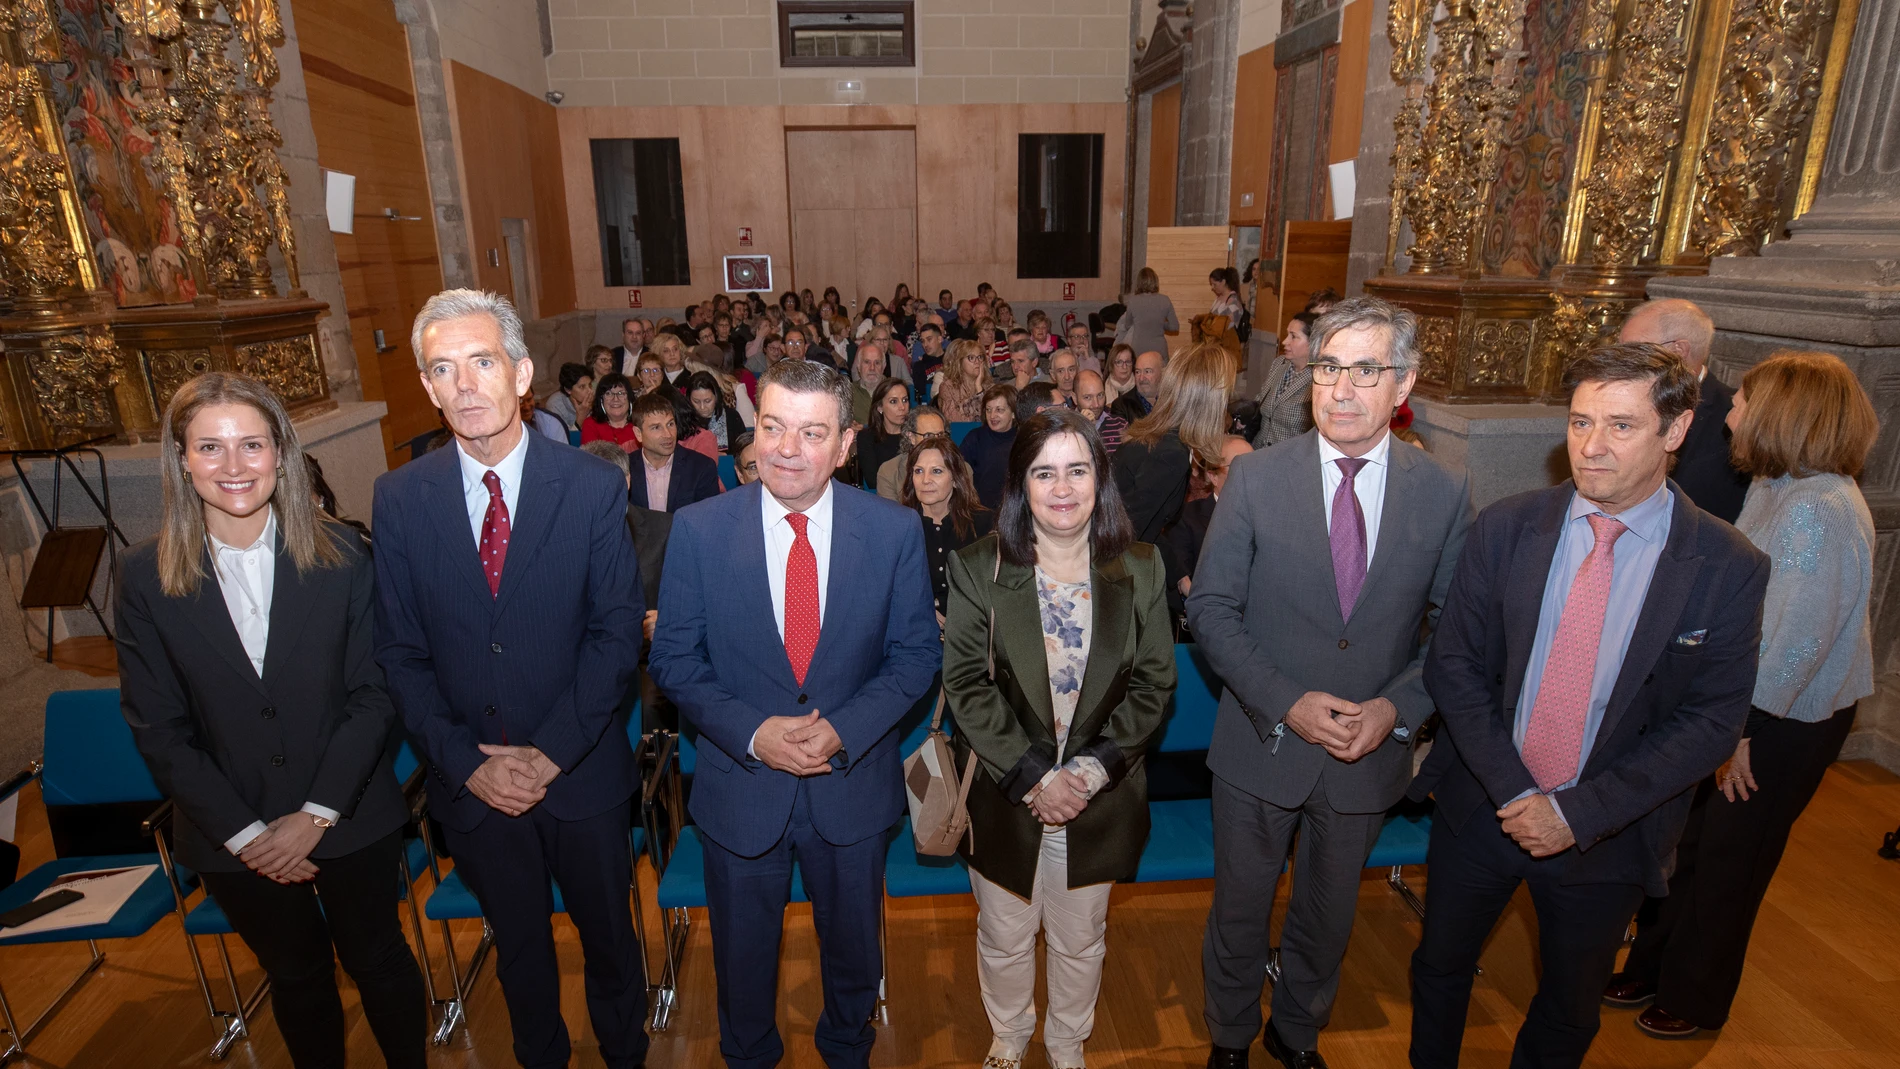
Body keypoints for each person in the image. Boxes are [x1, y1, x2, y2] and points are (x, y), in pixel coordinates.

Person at [1406, 341, 1771, 1069]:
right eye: (1578, 422)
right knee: (1439, 966)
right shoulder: (1508, 526)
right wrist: (1517, 793)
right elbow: (1455, 666)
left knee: (1569, 1008)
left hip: (1610, 832)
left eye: (1620, 425)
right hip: (1484, 803)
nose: (1591, 447)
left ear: (1675, 431)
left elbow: (1709, 725)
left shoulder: (1729, 566)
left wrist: (1574, 814)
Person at [1187, 298, 1473, 1069]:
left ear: (1403, 381)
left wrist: (1397, 708)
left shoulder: (1441, 493)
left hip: (1366, 749)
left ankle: (1297, 1030)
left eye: (1364, 370)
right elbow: (1210, 609)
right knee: (1241, 909)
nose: (1341, 389)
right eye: (1327, 368)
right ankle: (1231, 1036)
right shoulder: (1256, 480)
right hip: (1260, 740)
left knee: (1328, 911)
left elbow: (1455, 630)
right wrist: (1285, 700)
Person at [373, 289, 649, 1069]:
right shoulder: (399, 499)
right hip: (474, 784)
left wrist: (548, 753)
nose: (465, 385)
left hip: (581, 772)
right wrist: (469, 764)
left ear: (522, 372)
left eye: (483, 361)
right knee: (521, 957)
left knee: (611, 946)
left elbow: (613, 635)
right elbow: (400, 653)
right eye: (443, 369)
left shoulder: (593, 486)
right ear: (427, 387)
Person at [117, 372, 425, 1069]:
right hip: (230, 827)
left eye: (251, 444)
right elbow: (158, 725)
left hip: (347, 810)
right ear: (182, 458)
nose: (233, 466)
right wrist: (251, 834)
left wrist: (315, 814)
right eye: (211, 447)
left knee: (378, 960)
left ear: (280, 453)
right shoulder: (143, 575)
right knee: (296, 974)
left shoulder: (347, 556)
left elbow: (374, 693)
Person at [649, 358, 938, 1069]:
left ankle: (847, 1050)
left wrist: (843, 728)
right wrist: (755, 733)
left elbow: (915, 659)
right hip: (741, 790)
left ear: (844, 445)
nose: (785, 447)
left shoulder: (893, 531)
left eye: (811, 433)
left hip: (851, 785)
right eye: (772, 426)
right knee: (742, 970)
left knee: (851, 961)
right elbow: (675, 661)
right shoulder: (698, 530)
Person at [1607, 350, 1878, 1039]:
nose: (1727, 411)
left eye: (1741, 401)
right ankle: (1654, 961)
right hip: (1742, 706)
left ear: (1786, 412)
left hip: (1780, 719)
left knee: (1733, 859)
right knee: (1692, 845)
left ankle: (1696, 995)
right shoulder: (1776, 483)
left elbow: (1794, 641)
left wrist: (1740, 732)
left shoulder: (1819, 507)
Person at [942, 408, 1176, 1069]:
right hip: (1005, 787)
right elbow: (965, 682)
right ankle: (1011, 1035)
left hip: (1100, 792)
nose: (1063, 487)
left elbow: (1155, 685)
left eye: (1078, 469)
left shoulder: (1142, 567)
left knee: (1081, 938)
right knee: (1005, 933)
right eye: (1045, 472)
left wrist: (1091, 772)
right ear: (1020, 485)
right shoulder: (977, 568)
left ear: (1100, 479)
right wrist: (1038, 776)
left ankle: (1067, 1042)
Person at [1617, 297, 1751, 523]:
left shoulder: (1733, 419)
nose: (1621, 360)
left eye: (1635, 350)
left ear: (1679, 350)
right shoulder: (1616, 400)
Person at [1111, 344, 1231, 546]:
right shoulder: (1170, 454)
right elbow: (1124, 534)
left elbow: (1153, 524)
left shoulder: (1164, 435)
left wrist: (1180, 575)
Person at [1159, 435, 1249, 624]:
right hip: (1209, 621)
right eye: (1240, 467)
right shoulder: (1187, 517)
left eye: (1256, 466)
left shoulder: (1270, 518)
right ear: (1213, 476)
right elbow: (1183, 580)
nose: (1250, 474)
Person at [901, 433, 990, 620]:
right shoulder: (898, 527)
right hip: (914, 629)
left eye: (937, 471)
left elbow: (991, 591)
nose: (925, 480)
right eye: (918, 471)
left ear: (956, 479)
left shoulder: (984, 524)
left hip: (970, 630)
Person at [627, 390, 721, 512]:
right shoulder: (624, 469)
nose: (668, 434)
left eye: (670, 424)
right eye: (656, 427)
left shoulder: (701, 467)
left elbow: (708, 520)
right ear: (638, 434)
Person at [1254, 312, 1317, 449]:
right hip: (1260, 451)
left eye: (1293, 337)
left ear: (1313, 343)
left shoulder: (1319, 378)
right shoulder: (1279, 363)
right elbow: (1261, 399)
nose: (1284, 341)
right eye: (1287, 334)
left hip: (1292, 459)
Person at [964, 384, 1020, 511]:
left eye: (999, 410)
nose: (992, 416)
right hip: (981, 511)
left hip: (1014, 511)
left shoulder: (1023, 440)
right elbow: (960, 475)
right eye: (988, 410)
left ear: (1013, 413)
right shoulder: (975, 438)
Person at [876, 405, 948, 502]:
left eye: (940, 435)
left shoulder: (960, 468)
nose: (936, 441)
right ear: (911, 437)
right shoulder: (889, 472)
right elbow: (891, 515)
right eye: (928, 436)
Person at [854, 377, 912, 490]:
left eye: (905, 400)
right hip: (883, 500)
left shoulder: (915, 435)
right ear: (880, 407)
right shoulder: (867, 437)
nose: (902, 407)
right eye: (893, 401)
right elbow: (873, 482)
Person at [1114, 267, 1179, 360]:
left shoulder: (1133, 301)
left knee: (1139, 373)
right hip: (1159, 349)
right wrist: (1161, 323)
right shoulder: (1165, 300)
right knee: (1162, 373)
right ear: (1156, 281)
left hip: (1138, 349)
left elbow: (1127, 325)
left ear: (1139, 282)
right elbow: (1174, 327)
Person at [687, 369, 749, 453]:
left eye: (707, 401)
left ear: (716, 397)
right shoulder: (685, 420)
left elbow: (744, 451)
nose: (702, 407)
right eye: (696, 401)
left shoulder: (731, 417)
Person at [580, 371, 640, 453]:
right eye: (608, 394)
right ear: (601, 400)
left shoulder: (640, 422)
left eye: (621, 393)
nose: (615, 399)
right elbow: (592, 461)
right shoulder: (591, 425)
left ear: (629, 398)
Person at [935, 338, 990, 423]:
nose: (977, 361)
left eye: (980, 357)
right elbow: (956, 422)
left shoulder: (990, 386)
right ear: (960, 362)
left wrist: (979, 388)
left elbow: (990, 420)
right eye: (971, 357)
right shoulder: (947, 387)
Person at [1074, 370, 1128, 455]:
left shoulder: (1120, 425)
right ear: (1074, 398)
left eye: (1100, 395)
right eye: (1088, 397)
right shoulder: (1066, 427)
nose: (1096, 404)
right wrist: (1083, 429)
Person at [1110, 350, 1166, 424]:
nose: (1141, 378)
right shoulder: (1122, 405)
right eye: (1137, 372)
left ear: (1163, 373)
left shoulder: (1174, 401)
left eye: (1147, 371)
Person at [545, 362, 593, 433]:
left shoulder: (593, 399)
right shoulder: (554, 405)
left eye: (590, 385)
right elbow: (564, 440)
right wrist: (580, 418)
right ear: (568, 390)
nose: (590, 391)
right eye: (582, 387)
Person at [850, 338, 888, 426]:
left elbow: (899, 425)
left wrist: (864, 429)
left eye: (877, 363)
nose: (872, 368)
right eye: (867, 362)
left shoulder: (894, 391)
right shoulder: (848, 392)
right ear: (858, 366)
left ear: (883, 367)